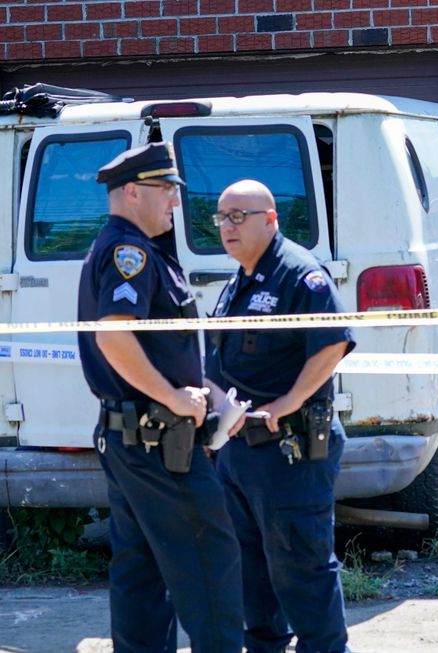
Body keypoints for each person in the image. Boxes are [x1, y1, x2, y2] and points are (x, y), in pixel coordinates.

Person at [77, 142, 243, 652]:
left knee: (142, 572)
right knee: (209, 562)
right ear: (132, 191)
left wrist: (210, 394)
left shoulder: (143, 251)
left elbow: (161, 344)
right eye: (166, 190)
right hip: (157, 444)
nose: (174, 202)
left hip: (137, 439)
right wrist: (172, 397)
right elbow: (114, 337)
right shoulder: (128, 252)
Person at [205, 179, 355, 653]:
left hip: (290, 448)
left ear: (270, 219)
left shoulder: (298, 273)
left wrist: (289, 401)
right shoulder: (240, 279)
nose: (227, 227)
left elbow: (333, 341)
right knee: (250, 567)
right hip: (240, 450)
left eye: (237, 216)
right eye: (221, 217)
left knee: (300, 563)